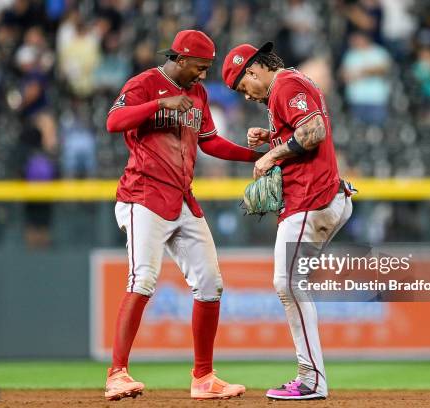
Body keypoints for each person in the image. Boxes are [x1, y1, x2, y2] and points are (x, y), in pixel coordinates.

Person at [104, 30, 260, 401]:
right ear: (181, 58)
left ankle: (203, 378)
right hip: (142, 195)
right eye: (200, 67)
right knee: (143, 279)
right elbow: (114, 122)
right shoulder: (145, 83)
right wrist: (159, 105)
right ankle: (117, 375)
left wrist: (260, 157)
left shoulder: (198, 94)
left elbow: (211, 142)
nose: (204, 75)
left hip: (182, 199)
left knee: (210, 284)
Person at [222, 42, 354, 400]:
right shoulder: (288, 85)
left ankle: (311, 379)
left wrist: (271, 155)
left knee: (287, 283)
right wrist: (273, 138)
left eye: (242, 86)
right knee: (291, 283)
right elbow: (303, 131)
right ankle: (311, 376)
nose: (245, 96)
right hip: (325, 198)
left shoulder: (285, 86)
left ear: (253, 71)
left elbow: (314, 132)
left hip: (312, 199)